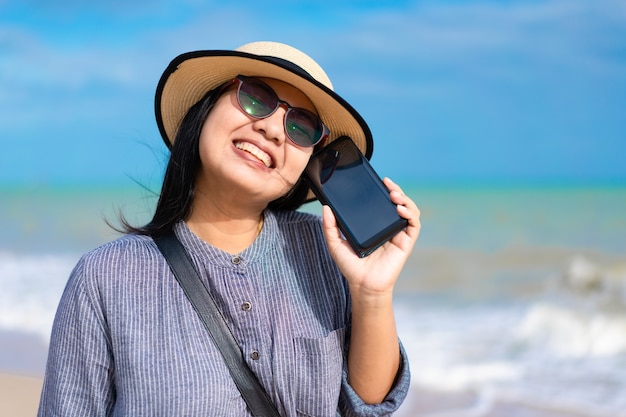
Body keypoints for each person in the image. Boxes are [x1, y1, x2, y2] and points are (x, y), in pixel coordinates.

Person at [38, 41, 421, 416]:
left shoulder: (327, 251)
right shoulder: (105, 277)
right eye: (256, 98)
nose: (272, 131)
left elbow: (368, 404)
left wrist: (372, 293)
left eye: (301, 127)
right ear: (205, 109)